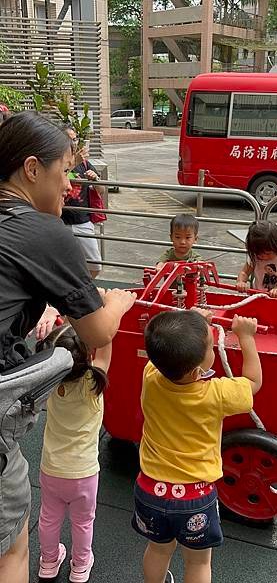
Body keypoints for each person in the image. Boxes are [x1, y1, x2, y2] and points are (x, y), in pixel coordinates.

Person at [0, 111, 136, 583]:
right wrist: (117, 302)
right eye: (65, 171)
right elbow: (98, 333)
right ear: (32, 169)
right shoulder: (42, 231)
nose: (71, 187)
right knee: (13, 546)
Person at [132, 309, 262, 583]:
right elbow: (253, 383)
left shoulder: (151, 375)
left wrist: (194, 320)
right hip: (195, 497)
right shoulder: (216, 393)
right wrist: (246, 337)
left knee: (157, 549)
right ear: (198, 371)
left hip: (150, 489)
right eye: (210, 345)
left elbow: (166, 348)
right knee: (199, 562)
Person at [36, 325, 111, 582]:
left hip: (52, 469)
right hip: (84, 474)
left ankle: (48, 561)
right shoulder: (93, 384)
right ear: (87, 357)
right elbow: (105, 337)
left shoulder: (49, 385)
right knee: (83, 522)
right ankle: (80, 566)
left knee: (48, 517)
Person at [61, 125, 104, 279]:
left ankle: (83, 290)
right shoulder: (57, 163)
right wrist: (72, 163)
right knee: (63, 264)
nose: (73, 143)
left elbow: (101, 190)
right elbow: (54, 179)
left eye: (75, 139)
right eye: (69, 140)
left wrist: (95, 179)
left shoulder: (84, 163)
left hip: (82, 220)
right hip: (61, 222)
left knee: (95, 265)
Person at [236, 220, 277, 298]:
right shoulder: (255, 254)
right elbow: (244, 272)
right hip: (259, 296)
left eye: (268, 253)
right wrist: (241, 282)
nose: (263, 257)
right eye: (259, 254)